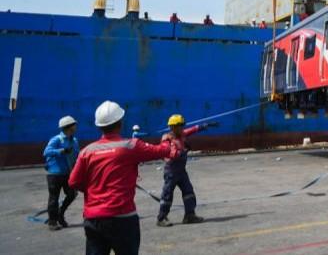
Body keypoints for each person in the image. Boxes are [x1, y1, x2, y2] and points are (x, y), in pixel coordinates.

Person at [69, 101, 179, 255]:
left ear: (98, 125)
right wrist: (168, 139)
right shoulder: (130, 146)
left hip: (93, 218)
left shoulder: (87, 151)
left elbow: (73, 182)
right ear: (120, 123)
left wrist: (96, 189)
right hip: (122, 218)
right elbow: (162, 151)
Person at [156, 114, 218, 227]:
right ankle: (161, 218)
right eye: (180, 126)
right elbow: (170, 152)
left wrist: (204, 126)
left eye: (182, 126)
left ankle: (189, 215)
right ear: (173, 127)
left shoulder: (181, 134)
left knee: (188, 192)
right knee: (167, 194)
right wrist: (182, 151)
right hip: (171, 171)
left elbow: (192, 130)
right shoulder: (167, 139)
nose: (182, 128)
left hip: (181, 171)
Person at [43, 116, 79, 230]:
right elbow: (46, 152)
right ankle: (52, 222)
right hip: (54, 174)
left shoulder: (74, 141)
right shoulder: (56, 139)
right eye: (74, 124)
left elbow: (77, 156)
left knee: (72, 194)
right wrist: (61, 151)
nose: (76, 126)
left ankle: (60, 214)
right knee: (54, 197)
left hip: (67, 173)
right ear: (68, 127)